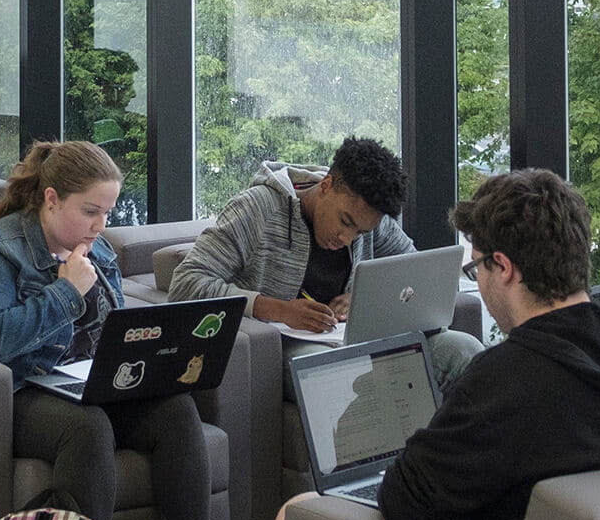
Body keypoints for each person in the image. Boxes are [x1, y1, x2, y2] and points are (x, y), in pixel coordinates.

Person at [0, 140, 224, 520]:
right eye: (90, 211)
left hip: (89, 382)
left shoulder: (95, 249)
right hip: (20, 390)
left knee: (177, 410)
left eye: (107, 212)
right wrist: (66, 290)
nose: (100, 225)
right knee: (88, 428)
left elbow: (113, 326)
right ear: (51, 199)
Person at [372, 169, 600, 520]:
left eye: (477, 268)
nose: (479, 283)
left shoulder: (503, 385)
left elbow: (402, 501)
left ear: (503, 267)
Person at [167, 136, 484, 391]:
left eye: (360, 231)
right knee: (335, 373)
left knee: (464, 350)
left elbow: (426, 277)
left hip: (355, 340)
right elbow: (187, 283)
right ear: (327, 184)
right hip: (289, 347)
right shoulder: (258, 209)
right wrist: (277, 309)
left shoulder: (370, 221)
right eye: (345, 222)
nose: (348, 238)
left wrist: (366, 299)